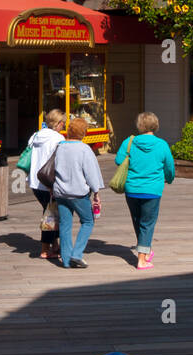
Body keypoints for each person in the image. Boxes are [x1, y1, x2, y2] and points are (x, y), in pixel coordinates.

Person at [114, 111, 176, 270]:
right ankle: (141, 260)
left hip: (132, 188)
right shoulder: (161, 144)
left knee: (138, 220)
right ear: (155, 125)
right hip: (152, 189)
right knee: (147, 223)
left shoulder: (129, 142)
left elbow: (119, 160)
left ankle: (145, 250)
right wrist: (169, 179)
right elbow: (169, 167)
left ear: (139, 126)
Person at [50, 117, 104, 269]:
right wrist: (96, 192)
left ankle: (66, 260)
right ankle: (77, 254)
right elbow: (91, 173)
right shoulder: (84, 149)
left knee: (65, 225)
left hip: (60, 192)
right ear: (84, 132)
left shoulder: (60, 147)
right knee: (88, 221)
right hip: (78, 193)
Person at [26, 109, 65, 260]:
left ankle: (54, 245)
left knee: (51, 212)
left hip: (35, 182)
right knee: (50, 215)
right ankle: (44, 249)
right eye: (63, 123)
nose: (64, 125)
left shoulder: (35, 135)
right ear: (58, 123)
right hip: (49, 182)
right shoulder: (58, 138)